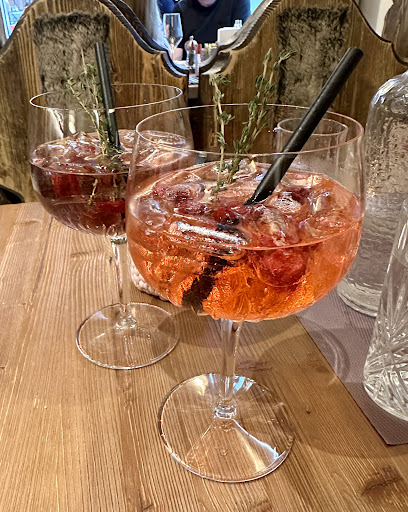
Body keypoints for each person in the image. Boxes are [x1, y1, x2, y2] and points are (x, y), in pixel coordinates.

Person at [172, 0, 250, 50]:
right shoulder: (181, 9)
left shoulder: (238, 2)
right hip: (192, 69)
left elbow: (243, 48)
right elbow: (176, 54)